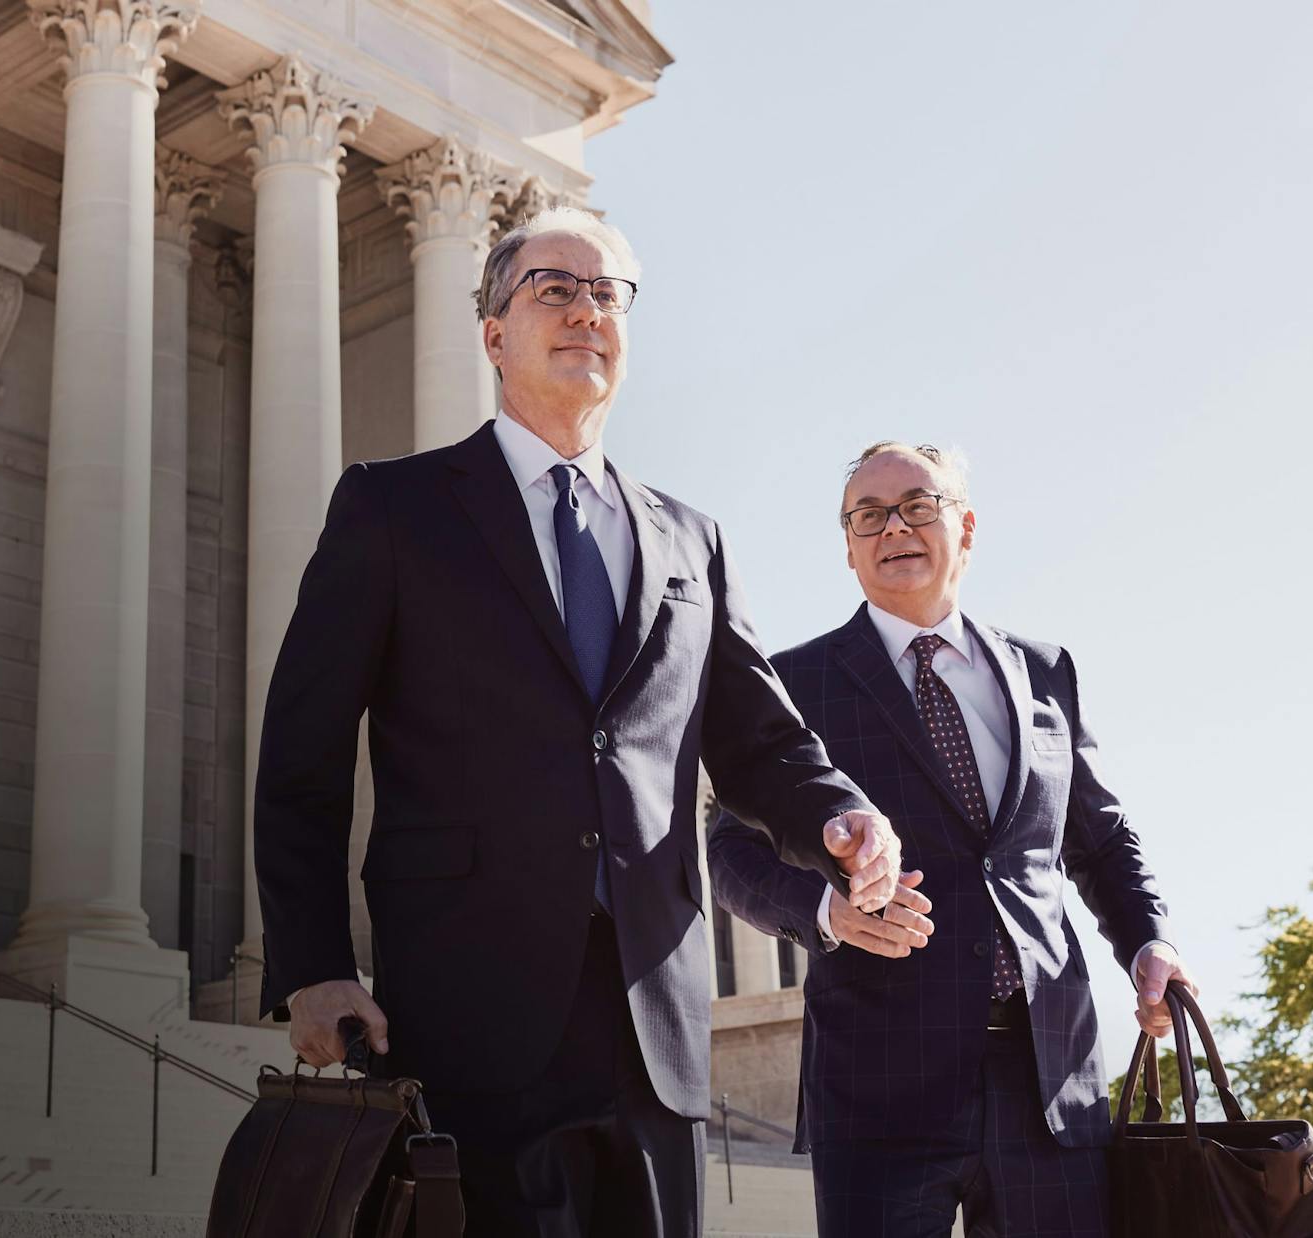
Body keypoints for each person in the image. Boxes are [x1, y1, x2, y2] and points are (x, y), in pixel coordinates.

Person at [251, 207, 904, 1238]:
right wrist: (312, 958)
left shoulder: (693, 538)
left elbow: (760, 741)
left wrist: (838, 815)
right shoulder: (393, 509)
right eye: (553, 288)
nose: (584, 311)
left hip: (654, 1023)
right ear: (492, 333)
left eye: (606, 293)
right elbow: (303, 756)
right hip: (468, 1016)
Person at [706, 441, 1194, 1238]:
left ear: (965, 528)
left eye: (918, 505)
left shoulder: (1045, 672)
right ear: (849, 547)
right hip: (879, 1089)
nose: (893, 526)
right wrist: (826, 913)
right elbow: (729, 853)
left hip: (1050, 1080)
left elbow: (1100, 841)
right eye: (869, 515)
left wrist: (1148, 939)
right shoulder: (794, 687)